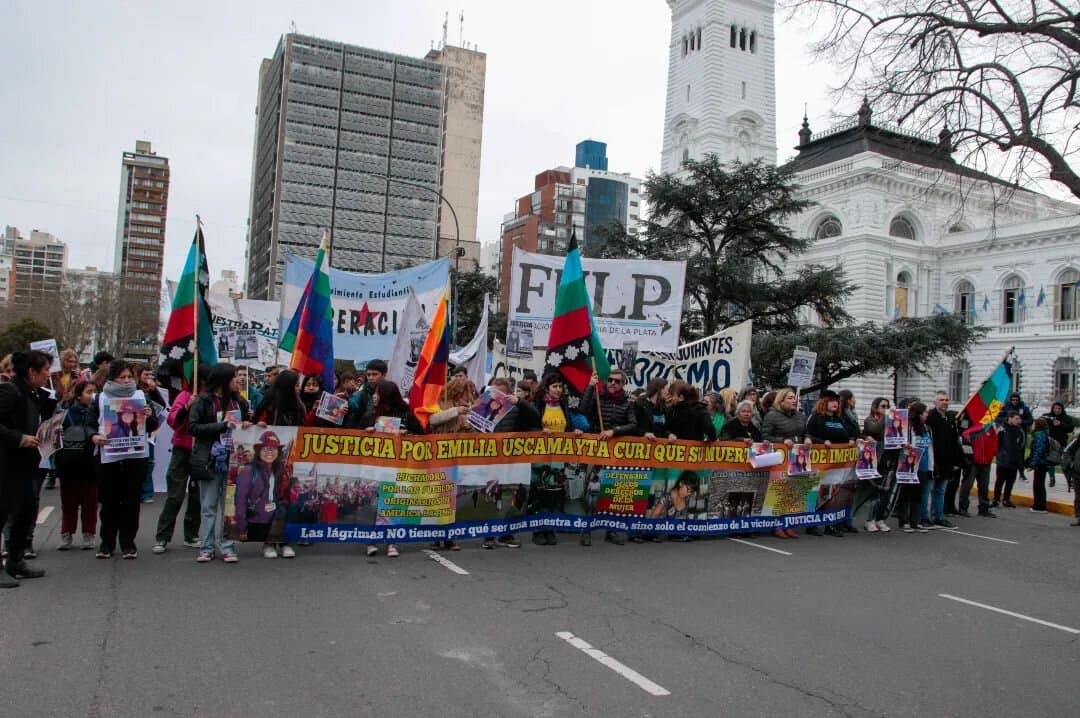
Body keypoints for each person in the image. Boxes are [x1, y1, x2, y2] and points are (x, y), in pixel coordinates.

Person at [89, 360, 159, 559]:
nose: (127, 381)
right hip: (108, 457)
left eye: (129, 377)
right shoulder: (100, 398)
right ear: (112, 379)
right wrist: (94, 436)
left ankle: (128, 542)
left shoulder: (141, 396)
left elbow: (153, 425)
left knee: (131, 501)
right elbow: (89, 424)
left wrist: (149, 415)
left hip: (135, 457)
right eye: (122, 377)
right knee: (109, 501)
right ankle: (107, 543)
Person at [0, 350, 54, 587]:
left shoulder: (31, 392)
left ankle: (15, 561)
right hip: (5, 465)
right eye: (44, 371)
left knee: (26, 511)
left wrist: (50, 433)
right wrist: (19, 438)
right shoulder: (10, 391)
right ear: (31, 372)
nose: (47, 375)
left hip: (23, 466)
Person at [188, 363, 251, 563]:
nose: (239, 381)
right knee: (209, 506)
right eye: (234, 378)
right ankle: (206, 547)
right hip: (211, 459)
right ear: (224, 381)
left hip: (234, 461)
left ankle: (227, 546)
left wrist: (249, 425)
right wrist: (222, 426)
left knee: (229, 507)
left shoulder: (240, 402)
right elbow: (193, 427)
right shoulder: (204, 401)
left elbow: (245, 424)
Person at [361, 380, 422, 558]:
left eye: (378, 393)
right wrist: (366, 431)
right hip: (375, 468)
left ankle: (392, 542)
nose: (374, 396)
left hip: (398, 468)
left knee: (394, 505)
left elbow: (421, 437)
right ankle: (371, 540)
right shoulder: (370, 415)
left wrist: (406, 434)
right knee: (375, 506)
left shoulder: (406, 415)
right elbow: (354, 435)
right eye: (374, 393)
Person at [580, 368, 640, 546]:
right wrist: (590, 388)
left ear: (623, 384)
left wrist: (614, 431)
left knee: (612, 493)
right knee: (592, 492)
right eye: (610, 379)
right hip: (596, 451)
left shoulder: (627, 403)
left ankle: (611, 530)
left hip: (615, 453)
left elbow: (633, 425)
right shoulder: (599, 396)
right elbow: (583, 410)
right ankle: (587, 529)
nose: (612, 383)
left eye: (617, 381)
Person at [482, 377, 541, 550]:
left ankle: (507, 534)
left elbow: (534, 418)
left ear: (508, 393)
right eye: (494, 391)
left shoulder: (517, 408)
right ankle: (489, 535)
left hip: (513, 461)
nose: (497, 395)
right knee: (492, 497)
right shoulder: (484, 408)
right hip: (491, 461)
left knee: (515, 497)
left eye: (501, 392)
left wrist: (520, 402)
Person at [152, 371, 205, 554]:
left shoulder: (212, 398)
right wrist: (187, 407)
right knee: (175, 495)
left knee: (197, 495)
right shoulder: (185, 395)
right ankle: (162, 537)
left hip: (202, 451)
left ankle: (191, 534)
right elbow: (173, 420)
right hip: (182, 450)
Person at [530, 373, 581, 546]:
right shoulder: (538, 404)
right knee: (540, 493)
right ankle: (538, 530)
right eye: (555, 387)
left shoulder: (563, 404)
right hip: (540, 456)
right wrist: (540, 430)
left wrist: (575, 432)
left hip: (558, 456)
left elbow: (568, 426)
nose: (558, 390)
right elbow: (530, 425)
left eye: (560, 387)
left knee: (554, 493)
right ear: (547, 388)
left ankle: (550, 528)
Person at [234, 430, 295, 558]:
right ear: (259, 451)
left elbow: (284, 496)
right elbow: (240, 499)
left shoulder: (281, 470)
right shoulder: (249, 470)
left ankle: (283, 543)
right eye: (265, 449)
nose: (269, 452)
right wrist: (242, 527)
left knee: (285, 509)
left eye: (273, 449)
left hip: (275, 516)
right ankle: (269, 544)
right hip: (256, 520)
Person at [805, 390, 857, 536]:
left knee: (832, 493)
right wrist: (822, 442)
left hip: (836, 463)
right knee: (816, 492)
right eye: (832, 401)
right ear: (824, 403)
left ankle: (830, 524)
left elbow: (849, 432)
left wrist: (852, 439)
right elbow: (808, 435)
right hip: (820, 461)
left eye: (837, 401)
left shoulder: (838, 419)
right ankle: (811, 524)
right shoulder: (816, 418)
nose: (835, 404)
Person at [54, 380, 99, 551]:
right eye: (89, 392)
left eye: (95, 392)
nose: (92, 395)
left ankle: (89, 534)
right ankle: (66, 534)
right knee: (69, 502)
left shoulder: (99, 412)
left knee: (90, 502)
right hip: (69, 463)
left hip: (90, 462)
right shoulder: (66, 414)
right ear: (79, 395)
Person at [761, 387, 810, 539]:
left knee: (795, 491)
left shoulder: (801, 416)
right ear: (781, 400)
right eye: (789, 398)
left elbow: (805, 431)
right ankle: (777, 525)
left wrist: (807, 438)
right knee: (781, 491)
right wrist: (782, 441)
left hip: (798, 456)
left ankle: (789, 524)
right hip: (781, 457)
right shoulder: (772, 416)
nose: (793, 400)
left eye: (794, 398)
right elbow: (765, 436)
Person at [926, 391, 961, 528]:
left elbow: (953, 441)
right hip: (934, 461)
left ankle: (939, 516)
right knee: (930, 490)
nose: (945, 402)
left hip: (947, 461)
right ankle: (925, 517)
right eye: (941, 400)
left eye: (947, 400)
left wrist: (958, 461)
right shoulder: (931, 418)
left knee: (941, 490)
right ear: (935, 402)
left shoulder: (949, 419)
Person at [861, 397, 894, 533]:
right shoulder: (871, 419)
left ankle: (880, 518)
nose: (885, 409)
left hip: (888, 458)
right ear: (875, 407)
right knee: (873, 491)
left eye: (887, 406)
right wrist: (886, 418)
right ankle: (869, 520)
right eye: (883, 406)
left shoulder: (889, 420)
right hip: (876, 459)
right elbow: (873, 429)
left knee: (885, 492)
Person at [898, 402, 932, 534]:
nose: (927, 414)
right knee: (906, 493)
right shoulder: (909, 427)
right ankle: (903, 520)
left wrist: (931, 466)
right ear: (918, 414)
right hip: (909, 464)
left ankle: (915, 520)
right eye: (925, 412)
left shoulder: (927, 428)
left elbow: (930, 448)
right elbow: (901, 443)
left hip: (923, 465)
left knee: (918, 495)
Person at [992, 410, 1025, 508]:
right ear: (1010, 418)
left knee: (1010, 481)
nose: (1018, 421)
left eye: (1019, 419)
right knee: (1000, 480)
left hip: (1014, 459)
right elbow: (997, 442)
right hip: (1003, 459)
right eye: (1016, 418)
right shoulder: (1002, 428)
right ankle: (996, 499)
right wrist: (999, 454)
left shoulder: (1019, 430)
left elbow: (1022, 443)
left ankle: (1006, 499)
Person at [1042, 402, 1074, 489]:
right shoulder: (1047, 416)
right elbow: (1040, 424)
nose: (1057, 410)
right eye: (1055, 408)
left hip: (1062, 443)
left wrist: (1060, 424)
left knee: (1065, 463)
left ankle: (1070, 481)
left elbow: (1070, 429)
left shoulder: (1067, 418)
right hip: (1050, 443)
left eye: (1059, 409)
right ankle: (1052, 479)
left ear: (1062, 409)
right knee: (1050, 462)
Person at [346, 359, 386, 429]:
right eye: (368, 375)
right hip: (364, 435)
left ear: (384, 375)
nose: (370, 378)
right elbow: (352, 403)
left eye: (374, 374)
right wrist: (345, 403)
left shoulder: (392, 392)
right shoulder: (361, 394)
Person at [1027, 418, 1052, 513]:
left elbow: (1038, 450)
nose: (1032, 425)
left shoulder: (1039, 435)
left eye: (1033, 423)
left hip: (1041, 463)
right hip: (1043, 463)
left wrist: (1033, 464)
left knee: (1038, 485)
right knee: (1039, 484)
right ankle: (1039, 505)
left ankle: (1039, 506)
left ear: (1037, 425)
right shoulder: (1044, 433)